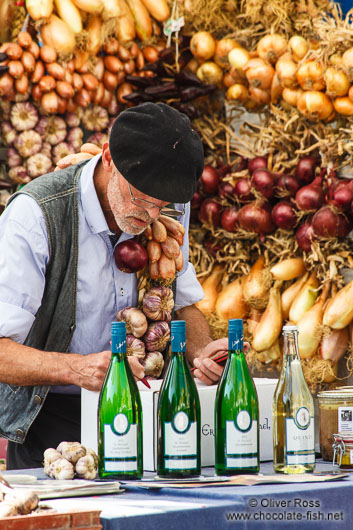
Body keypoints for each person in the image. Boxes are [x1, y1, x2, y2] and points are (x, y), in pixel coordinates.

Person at [0, 102, 227, 470]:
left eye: (163, 204)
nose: (151, 215)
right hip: (53, 427)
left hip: (148, 414)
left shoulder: (165, 208)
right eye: (141, 199)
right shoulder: (36, 214)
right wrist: (78, 369)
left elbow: (182, 303)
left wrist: (201, 354)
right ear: (108, 157)